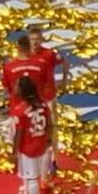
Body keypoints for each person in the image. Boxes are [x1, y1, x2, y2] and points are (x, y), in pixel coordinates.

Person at [9, 76, 52, 194]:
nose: (15, 88)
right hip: (42, 143)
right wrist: (48, 140)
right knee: (29, 175)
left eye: (17, 86)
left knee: (32, 177)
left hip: (29, 148)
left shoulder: (20, 110)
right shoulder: (43, 105)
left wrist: (14, 152)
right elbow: (50, 124)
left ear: (22, 90)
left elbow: (19, 133)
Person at [29, 26, 69, 176]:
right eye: (32, 40)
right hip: (33, 99)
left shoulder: (49, 54)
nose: (35, 43)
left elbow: (65, 62)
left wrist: (64, 80)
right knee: (34, 129)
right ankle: (36, 159)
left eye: (37, 39)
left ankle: (54, 160)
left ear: (42, 40)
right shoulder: (26, 56)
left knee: (52, 128)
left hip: (48, 97)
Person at [2, 34, 41, 108]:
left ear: (18, 48)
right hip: (37, 105)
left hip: (17, 106)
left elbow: (7, 87)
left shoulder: (8, 68)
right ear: (30, 47)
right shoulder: (39, 64)